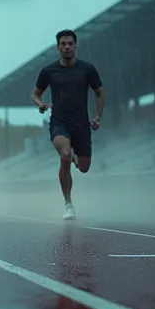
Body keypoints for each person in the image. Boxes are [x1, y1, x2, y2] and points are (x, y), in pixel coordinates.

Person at [31, 29, 103, 221]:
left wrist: (97, 116)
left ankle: (76, 158)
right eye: (63, 44)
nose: (67, 47)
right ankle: (68, 204)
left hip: (81, 124)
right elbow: (35, 93)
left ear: (75, 46)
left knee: (84, 167)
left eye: (70, 43)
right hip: (59, 122)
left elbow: (99, 93)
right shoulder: (48, 71)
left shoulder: (87, 69)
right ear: (58, 47)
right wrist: (40, 104)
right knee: (64, 154)